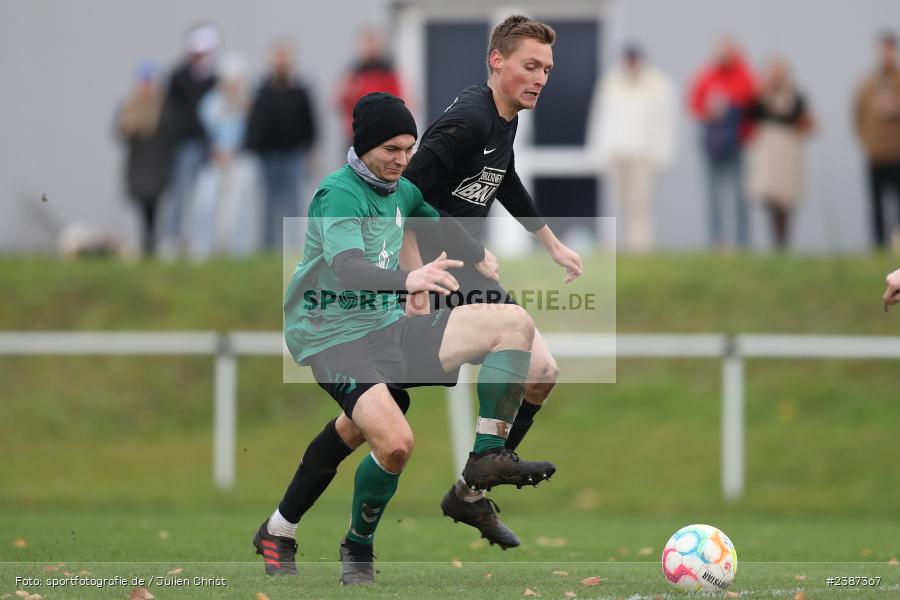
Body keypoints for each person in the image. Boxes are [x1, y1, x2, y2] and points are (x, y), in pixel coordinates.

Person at [252, 92, 555, 585]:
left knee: (513, 323)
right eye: (391, 149)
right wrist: (409, 281)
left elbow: (435, 220)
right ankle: (355, 548)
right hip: (333, 337)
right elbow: (347, 267)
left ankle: (484, 459)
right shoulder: (339, 193)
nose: (402, 160)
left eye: (409, 148)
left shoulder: (402, 189)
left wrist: (477, 255)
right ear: (365, 145)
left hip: (387, 327)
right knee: (394, 444)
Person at [401, 14, 583, 549]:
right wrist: (415, 274)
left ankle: (471, 489)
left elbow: (500, 176)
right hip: (437, 272)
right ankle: (292, 524)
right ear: (496, 62)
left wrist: (549, 242)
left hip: (465, 267)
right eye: (531, 66)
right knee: (371, 421)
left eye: (547, 69)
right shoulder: (468, 121)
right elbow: (405, 196)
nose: (541, 78)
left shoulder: (506, 118)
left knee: (543, 371)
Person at [587, 42, 676, 252]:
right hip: (617, 153)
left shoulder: (657, 84)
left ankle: (640, 249)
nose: (631, 65)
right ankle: (614, 247)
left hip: (642, 155)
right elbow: (601, 118)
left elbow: (664, 122)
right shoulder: (611, 82)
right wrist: (598, 152)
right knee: (618, 203)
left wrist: (661, 153)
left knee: (640, 204)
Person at [245, 41, 317, 251]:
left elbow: (310, 124)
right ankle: (268, 246)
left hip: (293, 156)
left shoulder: (300, 92)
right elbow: (255, 124)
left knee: (293, 204)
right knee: (268, 204)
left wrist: (308, 150)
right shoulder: (262, 92)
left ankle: (293, 247)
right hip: (268, 157)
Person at [689, 38, 756, 249]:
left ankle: (742, 243)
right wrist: (711, 111)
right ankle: (717, 243)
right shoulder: (707, 75)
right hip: (713, 143)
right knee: (713, 197)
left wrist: (732, 106)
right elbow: (694, 103)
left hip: (736, 142)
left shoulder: (744, 75)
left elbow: (751, 104)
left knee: (740, 196)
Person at [160, 23, 220, 256]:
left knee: (204, 197)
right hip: (184, 145)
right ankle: (172, 238)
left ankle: (200, 241)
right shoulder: (177, 77)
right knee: (179, 192)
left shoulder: (215, 78)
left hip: (208, 146)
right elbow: (173, 113)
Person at [190, 54, 258, 258]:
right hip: (214, 161)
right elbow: (202, 132)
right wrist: (214, 151)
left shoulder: (250, 104)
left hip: (240, 161)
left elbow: (254, 133)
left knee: (240, 208)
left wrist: (236, 151)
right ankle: (202, 248)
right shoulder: (210, 104)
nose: (233, 86)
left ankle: (240, 251)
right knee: (206, 203)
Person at [746, 58, 814, 250]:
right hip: (768, 150)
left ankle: (784, 241)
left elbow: (802, 119)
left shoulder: (796, 96)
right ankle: (776, 241)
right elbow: (750, 114)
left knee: (786, 199)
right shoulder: (762, 96)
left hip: (788, 151)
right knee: (770, 197)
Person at [116, 60, 171, 256]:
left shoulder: (165, 107)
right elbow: (119, 132)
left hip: (158, 167)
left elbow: (173, 133)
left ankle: (156, 245)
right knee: (137, 210)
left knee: (157, 210)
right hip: (137, 167)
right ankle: (140, 246)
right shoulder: (129, 107)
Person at [854, 32, 900, 250]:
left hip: (897, 152)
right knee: (876, 205)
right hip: (876, 154)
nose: (886, 54)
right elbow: (857, 115)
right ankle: (879, 246)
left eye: (890, 49)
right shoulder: (868, 83)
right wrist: (867, 142)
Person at [336, 30, 405, 147]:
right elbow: (340, 101)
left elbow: (398, 102)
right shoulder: (354, 73)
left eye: (373, 44)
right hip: (357, 133)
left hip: (383, 133)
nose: (370, 48)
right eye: (367, 44)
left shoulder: (388, 73)